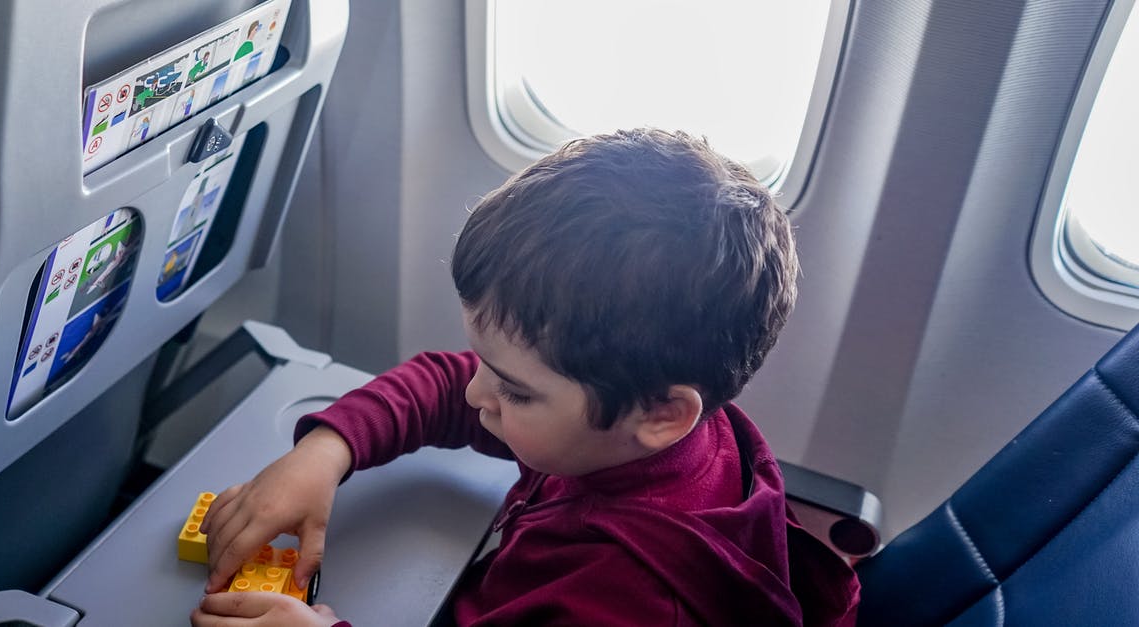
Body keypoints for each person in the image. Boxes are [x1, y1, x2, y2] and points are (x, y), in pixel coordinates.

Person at [191, 128, 860, 626]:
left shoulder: (626, 600)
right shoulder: (637, 429)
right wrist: (324, 451)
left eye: (514, 389)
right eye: (486, 363)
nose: (478, 392)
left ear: (661, 414)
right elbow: (447, 386)